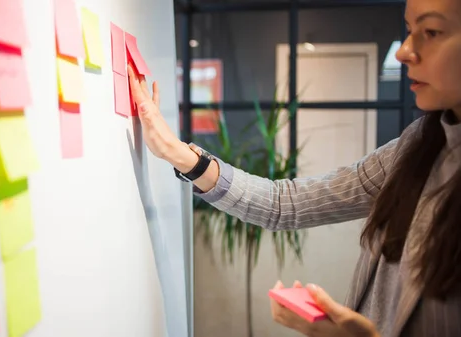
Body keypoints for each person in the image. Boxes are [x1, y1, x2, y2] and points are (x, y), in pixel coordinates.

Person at [126, 0, 461, 335]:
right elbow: (284, 204)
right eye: (408, 29)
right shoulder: (418, 144)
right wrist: (177, 152)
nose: (404, 51)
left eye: (431, 31)